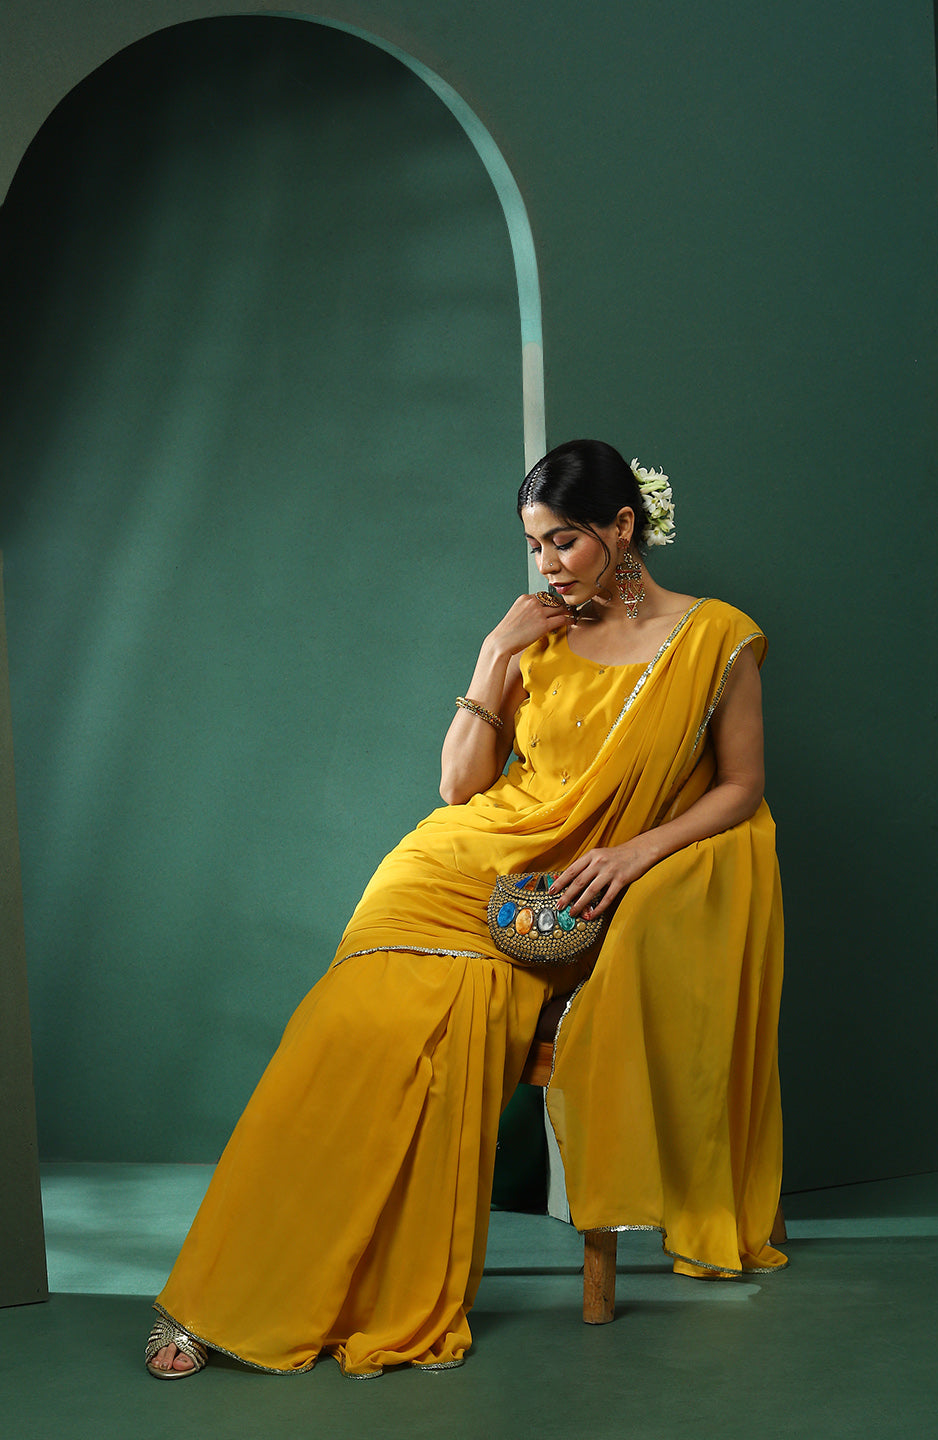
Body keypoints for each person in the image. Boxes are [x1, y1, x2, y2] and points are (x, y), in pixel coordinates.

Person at [145, 438, 785, 1380]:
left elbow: (740, 787)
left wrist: (633, 853)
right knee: (345, 1026)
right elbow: (458, 788)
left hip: (560, 892)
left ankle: (334, 1288)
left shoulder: (715, 638)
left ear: (623, 526)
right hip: (455, 865)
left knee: (432, 1043)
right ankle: (220, 1291)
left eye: (565, 541)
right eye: (534, 545)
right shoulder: (536, 634)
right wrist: (494, 655)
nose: (548, 565)